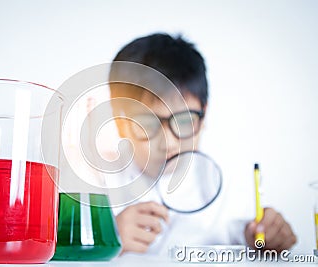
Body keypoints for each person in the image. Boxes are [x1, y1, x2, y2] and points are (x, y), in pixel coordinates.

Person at [106, 33, 297, 256]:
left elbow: (261, 243)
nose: (168, 142)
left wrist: (267, 240)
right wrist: (105, 240)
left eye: (184, 121)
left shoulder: (232, 189)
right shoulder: (90, 190)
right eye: (147, 123)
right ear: (120, 123)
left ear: (203, 116)